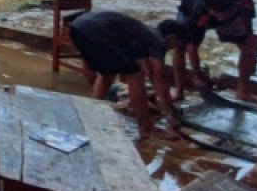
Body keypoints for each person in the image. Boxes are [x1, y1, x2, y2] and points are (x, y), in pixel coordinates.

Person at [68, 11, 183, 141]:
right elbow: (158, 79)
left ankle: (92, 112)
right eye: (177, 44)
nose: (174, 49)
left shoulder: (144, 33)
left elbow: (147, 69)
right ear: (172, 37)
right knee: (135, 76)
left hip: (78, 28)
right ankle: (146, 128)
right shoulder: (158, 41)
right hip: (97, 31)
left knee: (108, 72)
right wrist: (170, 113)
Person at [173, 0, 257, 103]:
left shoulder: (246, 5)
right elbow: (192, 46)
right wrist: (198, 75)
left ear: (234, 6)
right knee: (180, 47)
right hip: (192, 12)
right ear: (210, 9)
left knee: (247, 48)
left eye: (225, 12)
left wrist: (250, 58)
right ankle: (179, 92)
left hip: (230, 19)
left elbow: (248, 35)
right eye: (217, 12)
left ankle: (243, 91)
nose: (220, 17)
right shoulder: (199, 11)